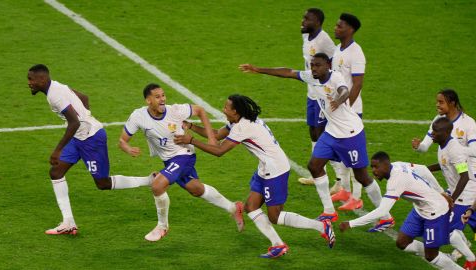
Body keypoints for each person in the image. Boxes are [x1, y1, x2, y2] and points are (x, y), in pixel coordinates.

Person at [239, 53, 394, 231]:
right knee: (314, 165)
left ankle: (386, 217)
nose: (313, 69)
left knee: (362, 176)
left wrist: (339, 99)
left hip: (351, 134)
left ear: (328, 65)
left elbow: (343, 90)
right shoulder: (312, 77)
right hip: (332, 132)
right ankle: (329, 211)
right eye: (312, 65)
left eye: (317, 65)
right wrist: (258, 69)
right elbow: (288, 72)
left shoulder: (335, 77)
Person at [173, 94, 335, 258]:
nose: (223, 110)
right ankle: (278, 245)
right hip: (265, 167)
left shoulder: (243, 127)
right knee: (251, 206)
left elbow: (219, 151)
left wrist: (191, 140)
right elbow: (215, 134)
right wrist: (191, 126)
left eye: (226, 107)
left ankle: (322, 226)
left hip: (275, 170)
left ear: (235, 111)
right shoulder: (238, 121)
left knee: (275, 216)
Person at [27, 64, 154, 235]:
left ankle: (149, 180)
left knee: (103, 183)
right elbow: (84, 98)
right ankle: (68, 222)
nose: (29, 83)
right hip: (79, 137)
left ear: (42, 79)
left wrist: (58, 150)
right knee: (56, 172)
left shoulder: (55, 95)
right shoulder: (58, 87)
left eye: (31, 79)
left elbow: (75, 123)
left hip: (91, 139)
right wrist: (86, 115)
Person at [118, 83, 244, 242]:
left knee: (157, 186)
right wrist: (128, 148)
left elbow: (199, 110)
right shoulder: (138, 116)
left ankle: (162, 226)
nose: (162, 99)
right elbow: (122, 140)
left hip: (184, 154)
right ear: (148, 101)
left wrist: (212, 138)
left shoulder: (175, 110)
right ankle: (233, 207)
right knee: (195, 189)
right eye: (157, 97)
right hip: (169, 160)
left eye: (163, 95)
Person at [339, 151, 463, 270]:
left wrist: (351, 223)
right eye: (372, 167)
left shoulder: (395, 181)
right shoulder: (398, 164)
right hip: (420, 209)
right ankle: (432, 250)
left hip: (435, 212)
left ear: (386, 164)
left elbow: (382, 211)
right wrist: (441, 191)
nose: (374, 171)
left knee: (431, 256)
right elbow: (424, 170)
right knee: (402, 243)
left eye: (376, 167)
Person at [327, 13, 367, 210]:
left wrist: (347, 109)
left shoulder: (356, 53)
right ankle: (344, 189)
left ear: (350, 29)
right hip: (338, 112)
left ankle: (357, 197)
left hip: (350, 112)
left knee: (354, 154)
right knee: (340, 151)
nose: (335, 28)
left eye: (340, 26)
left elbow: (357, 84)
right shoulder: (338, 49)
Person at [427, 117, 476, 269]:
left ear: (447, 132)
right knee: (447, 228)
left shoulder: (454, 149)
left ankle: (471, 259)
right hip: (457, 192)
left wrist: (452, 199)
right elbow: (444, 164)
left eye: (436, 131)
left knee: (445, 230)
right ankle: (464, 243)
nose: (432, 134)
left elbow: (465, 175)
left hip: (464, 195)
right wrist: (425, 169)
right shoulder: (443, 145)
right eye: (432, 130)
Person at [297, 8, 338, 187]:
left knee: (324, 136)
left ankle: (340, 180)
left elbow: (336, 65)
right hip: (311, 92)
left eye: (308, 19)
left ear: (318, 23)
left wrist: (331, 90)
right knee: (313, 132)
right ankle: (317, 175)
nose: (303, 21)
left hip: (323, 94)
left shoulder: (325, 41)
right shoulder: (307, 36)